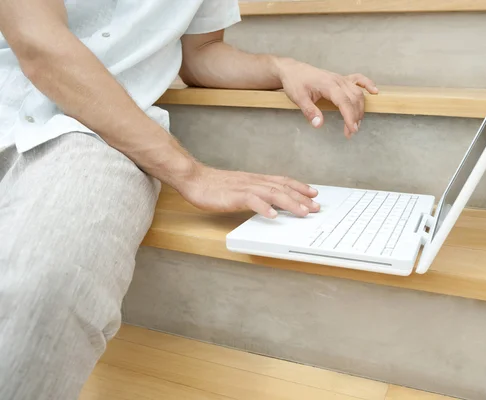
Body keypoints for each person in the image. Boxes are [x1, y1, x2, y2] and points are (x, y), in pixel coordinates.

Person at [0, 0, 378, 399]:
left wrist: (280, 66)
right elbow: (38, 43)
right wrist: (190, 173)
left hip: (100, 135)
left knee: (44, 289)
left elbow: (199, 54)